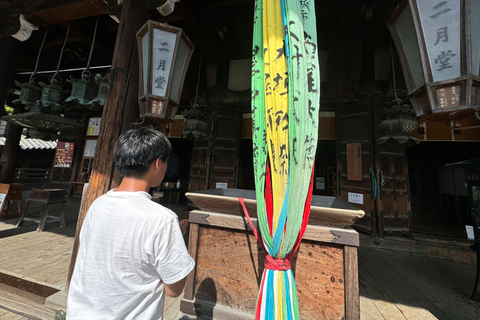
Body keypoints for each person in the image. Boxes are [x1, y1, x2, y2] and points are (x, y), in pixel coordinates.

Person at [67, 127, 195, 319]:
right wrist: (175, 242)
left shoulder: (98, 204)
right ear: (157, 163)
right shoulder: (163, 219)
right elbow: (174, 289)